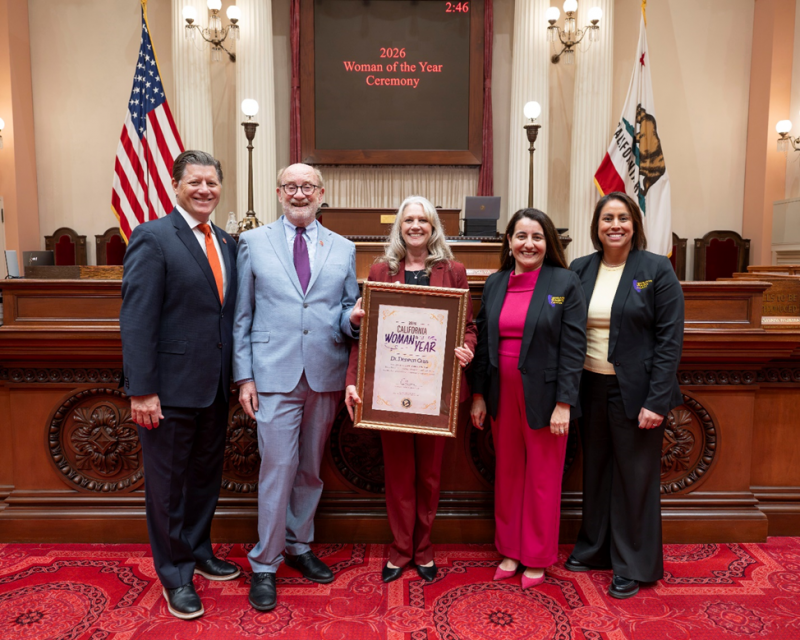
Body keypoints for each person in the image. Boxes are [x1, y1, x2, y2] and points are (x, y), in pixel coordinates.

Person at [233, 163, 362, 612]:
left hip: (324, 373)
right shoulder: (251, 242)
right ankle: (265, 563)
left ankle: (298, 545)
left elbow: (347, 310)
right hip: (272, 374)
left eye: (308, 186)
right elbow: (242, 316)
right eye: (292, 186)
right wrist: (244, 376)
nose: (300, 193)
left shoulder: (343, 248)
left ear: (322, 193)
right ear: (278, 192)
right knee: (277, 469)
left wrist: (355, 319)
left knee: (309, 469)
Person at [120, 150, 240, 620]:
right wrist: (142, 389)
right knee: (167, 486)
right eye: (195, 182)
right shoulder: (153, 237)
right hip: (166, 391)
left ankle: (198, 549)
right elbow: (137, 319)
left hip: (214, 386)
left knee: (205, 479)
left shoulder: (227, 241)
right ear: (176, 186)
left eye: (212, 182)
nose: (205, 190)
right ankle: (174, 575)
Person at [343, 196, 477, 583]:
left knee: (430, 476)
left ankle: (424, 549)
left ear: (434, 227)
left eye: (423, 220)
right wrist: (353, 381)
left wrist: (466, 349)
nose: (415, 226)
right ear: (399, 227)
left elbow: (468, 325)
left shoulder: (453, 270)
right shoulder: (382, 270)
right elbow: (365, 335)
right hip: (390, 390)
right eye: (408, 220)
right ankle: (401, 550)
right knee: (400, 475)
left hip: (437, 393)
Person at [566, 192, 684, 599]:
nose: (614, 225)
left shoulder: (655, 269)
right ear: (596, 227)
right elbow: (561, 318)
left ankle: (633, 564)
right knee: (596, 471)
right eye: (606, 219)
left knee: (635, 479)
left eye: (622, 218)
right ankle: (596, 548)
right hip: (590, 385)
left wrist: (656, 400)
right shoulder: (581, 268)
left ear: (635, 223)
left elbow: (669, 340)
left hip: (637, 392)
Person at [470, 208, 587, 590]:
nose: (528, 244)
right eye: (521, 236)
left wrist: (565, 403)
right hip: (502, 394)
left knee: (542, 480)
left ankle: (536, 557)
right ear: (509, 242)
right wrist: (479, 395)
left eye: (537, 237)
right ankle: (509, 550)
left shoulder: (564, 282)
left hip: (547, 398)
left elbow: (573, 349)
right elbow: (485, 345)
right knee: (508, 476)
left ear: (547, 242)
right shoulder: (495, 283)